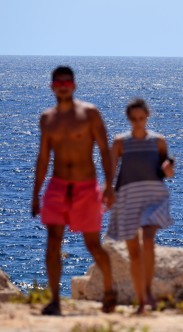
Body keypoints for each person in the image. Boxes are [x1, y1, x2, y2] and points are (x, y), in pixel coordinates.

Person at [31, 66, 117, 315]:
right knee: (53, 243)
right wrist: (36, 193)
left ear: (74, 85)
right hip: (57, 186)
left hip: (85, 187)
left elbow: (104, 151)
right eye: (59, 82)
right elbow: (43, 158)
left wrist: (109, 186)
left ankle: (110, 292)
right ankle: (55, 300)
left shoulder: (89, 114)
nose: (63, 86)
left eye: (67, 82)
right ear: (52, 87)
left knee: (92, 244)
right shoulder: (48, 119)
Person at [107, 98, 174, 314]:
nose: (138, 122)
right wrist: (107, 191)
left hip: (153, 196)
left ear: (147, 117)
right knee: (133, 252)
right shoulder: (119, 142)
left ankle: (148, 292)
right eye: (134, 119)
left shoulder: (158, 141)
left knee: (148, 239)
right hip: (127, 196)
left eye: (141, 118)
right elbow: (111, 170)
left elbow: (167, 172)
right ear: (129, 119)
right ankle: (141, 299)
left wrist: (168, 168)